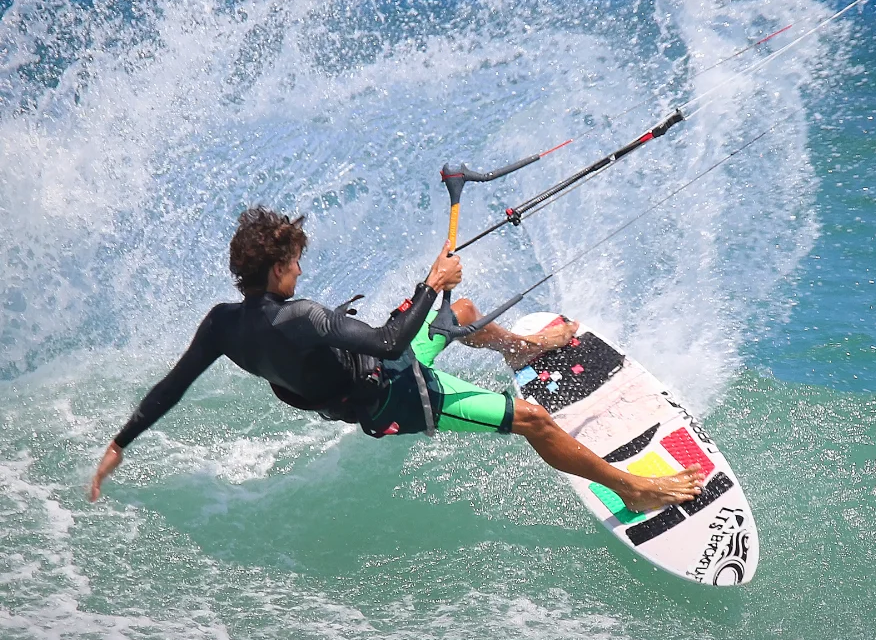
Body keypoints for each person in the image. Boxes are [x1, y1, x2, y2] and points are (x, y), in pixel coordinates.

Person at [90, 207, 704, 509]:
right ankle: (634, 489)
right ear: (277, 270)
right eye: (295, 261)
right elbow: (388, 343)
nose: (301, 268)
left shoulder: (223, 324)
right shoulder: (300, 315)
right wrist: (432, 281)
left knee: (461, 318)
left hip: (371, 376)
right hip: (393, 395)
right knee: (534, 421)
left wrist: (122, 440)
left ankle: (525, 346)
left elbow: (171, 387)